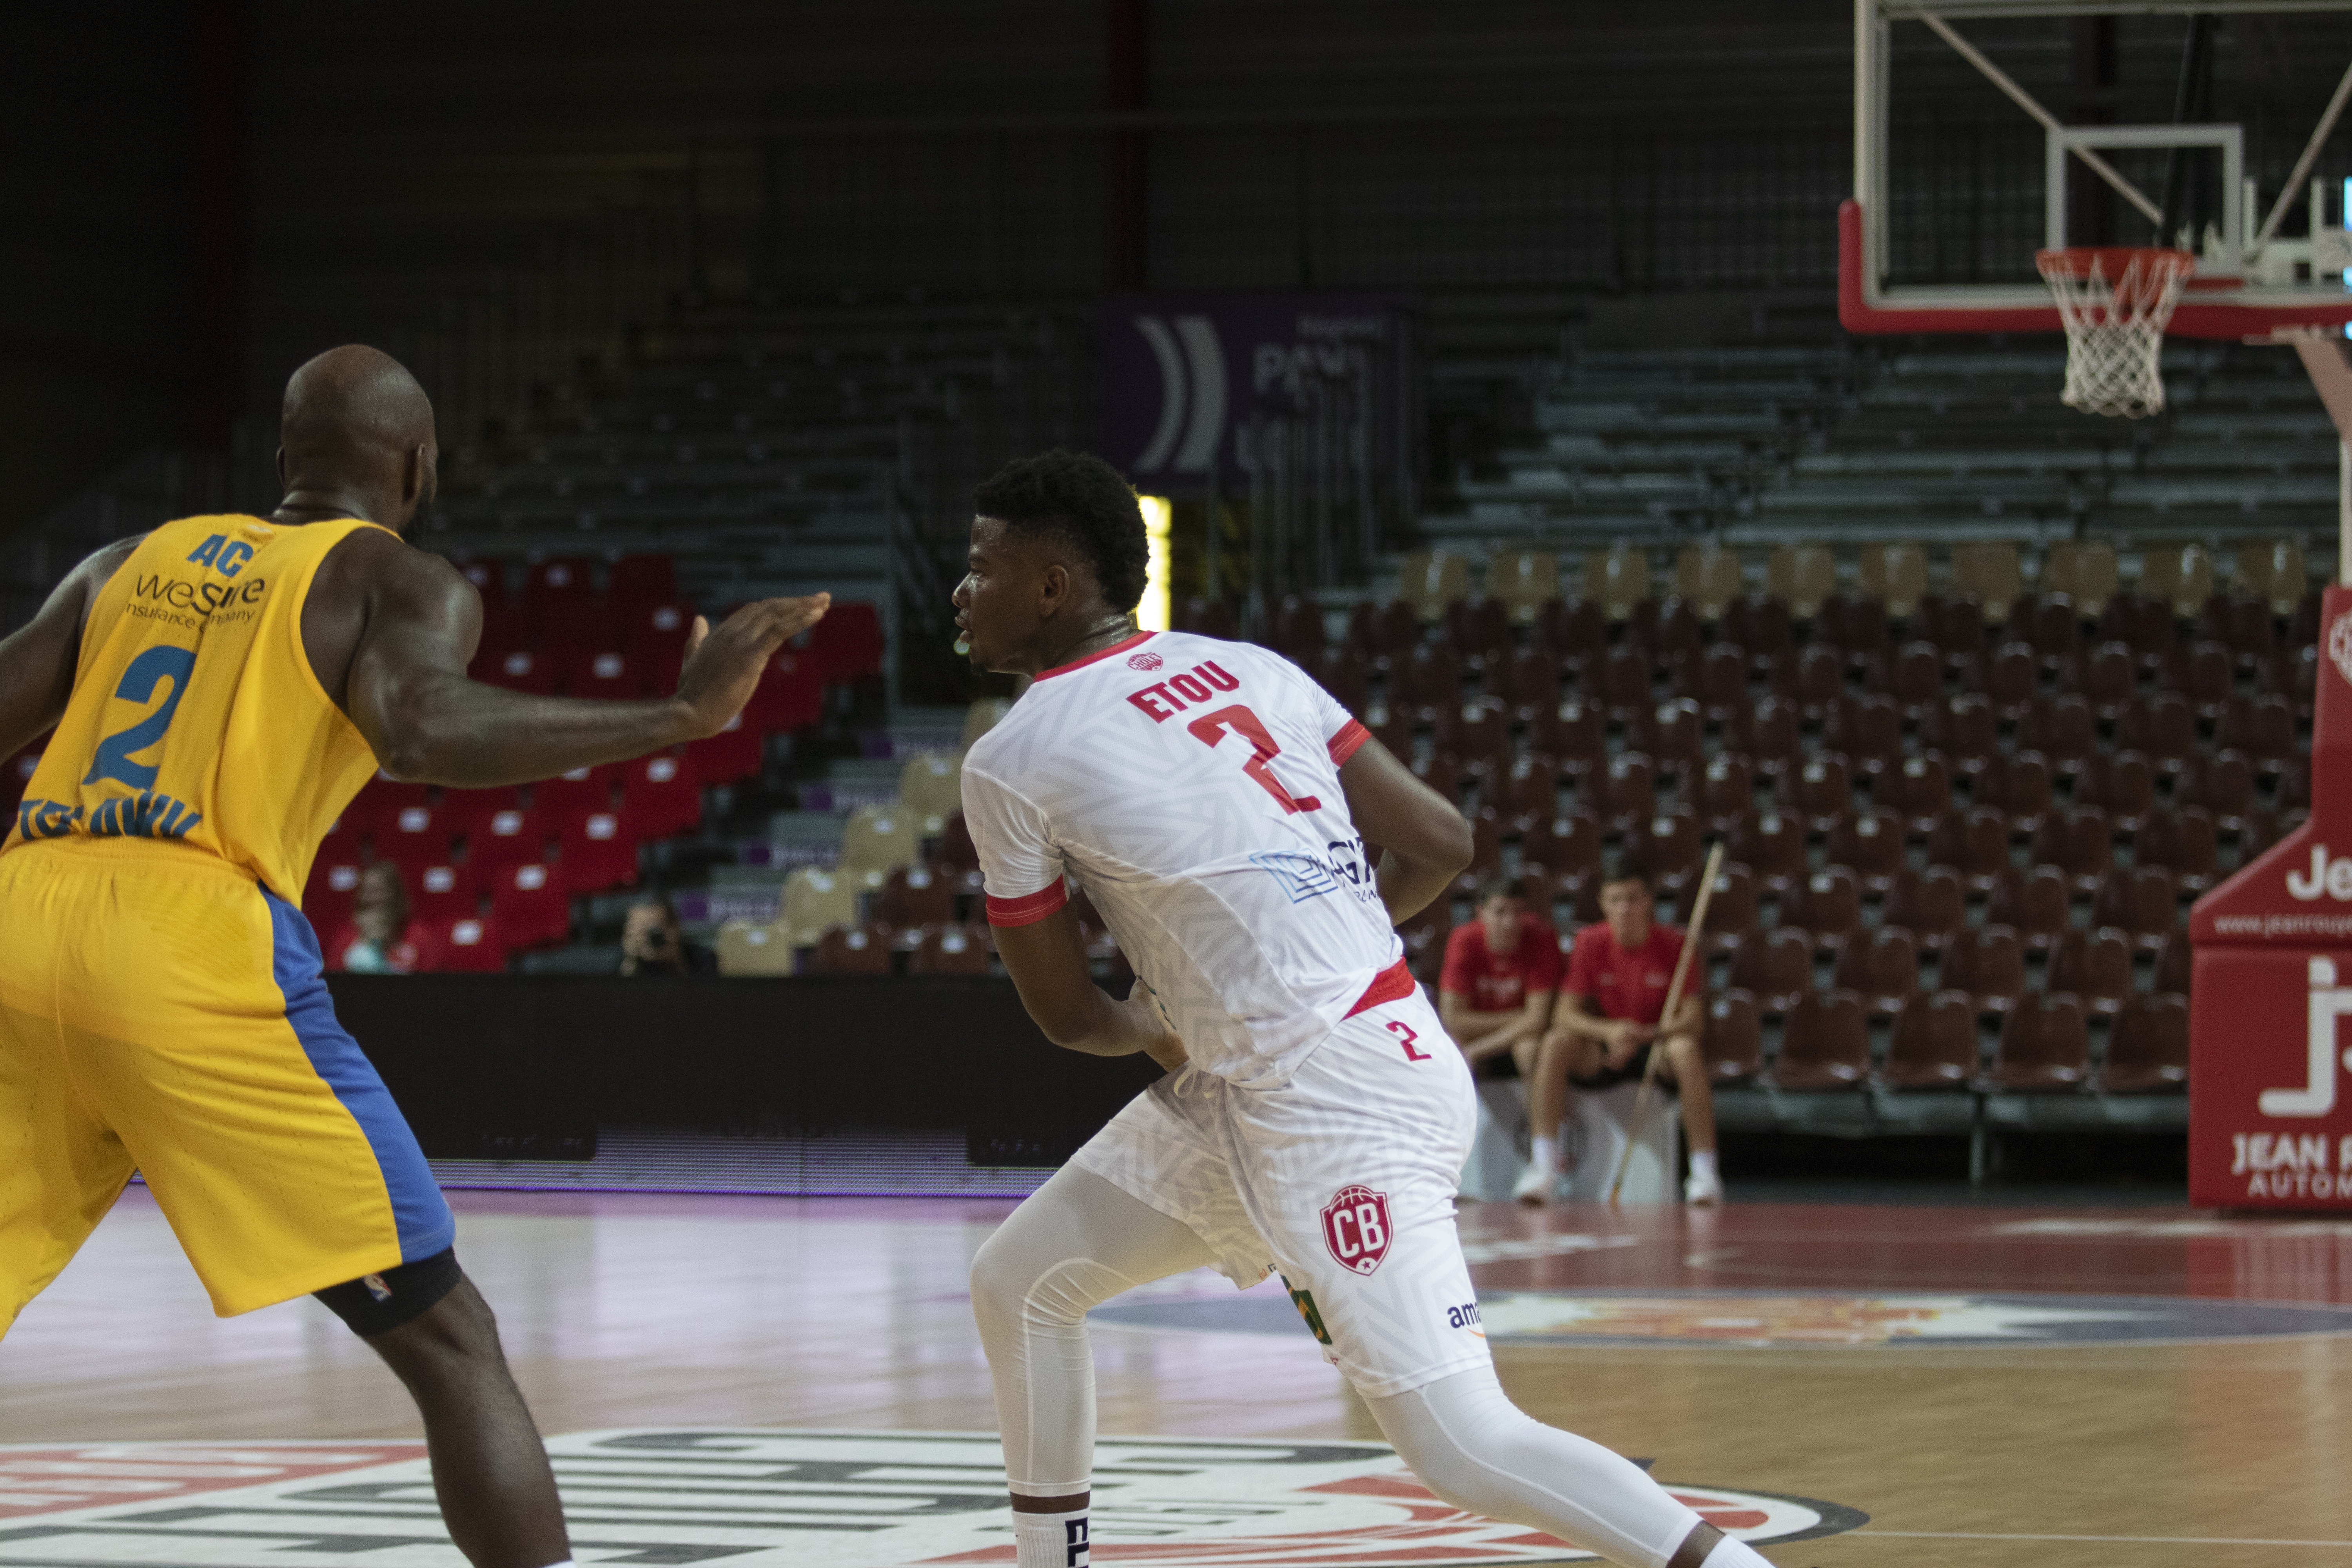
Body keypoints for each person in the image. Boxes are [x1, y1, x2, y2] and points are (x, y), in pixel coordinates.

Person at [0, 344, 828, 1568]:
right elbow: (422, 733)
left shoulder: (127, 560)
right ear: (419, 465)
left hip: (22, 908)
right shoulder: (399, 578)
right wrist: (680, 716)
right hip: (190, 933)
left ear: (283, 458)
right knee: (449, 1341)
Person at [956, 449, 1771, 1568]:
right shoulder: (1253, 667)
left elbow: (1064, 1016)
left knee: (1464, 1447)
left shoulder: (1011, 757)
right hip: (1315, 1061)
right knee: (1022, 1282)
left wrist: (1154, 1023)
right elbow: (1443, 842)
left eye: (980, 565)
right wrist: (1326, 937)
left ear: (1052, 586)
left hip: (1331, 1101)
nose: (961, 591)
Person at [1537, 865, 1721, 1206]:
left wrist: (1644, 1035)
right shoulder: (1590, 942)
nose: (1625, 908)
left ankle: (1704, 1172)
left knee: (1686, 1050)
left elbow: (1693, 1021)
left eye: (1633, 899)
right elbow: (1564, 1015)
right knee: (1554, 1043)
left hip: (1657, 1049)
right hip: (1607, 1051)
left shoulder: (1677, 944)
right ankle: (1544, 1164)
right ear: (1603, 904)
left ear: (1649, 902)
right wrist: (1609, 1031)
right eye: (1616, 900)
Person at [1435, 877, 1563, 1203]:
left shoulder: (1541, 938)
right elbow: (1452, 1018)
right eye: (1500, 912)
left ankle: (1542, 1163)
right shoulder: (1464, 940)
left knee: (1532, 1049)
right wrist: (1518, 1019)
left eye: (1518, 913)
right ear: (1481, 913)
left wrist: (1479, 1047)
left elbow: (1538, 1022)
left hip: (1510, 1042)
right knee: (1447, 1051)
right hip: (1485, 1036)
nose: (1509, 922)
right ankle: (1445, 1164)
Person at [324, 861, 448, 973]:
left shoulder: (419, 937)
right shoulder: (345, 939)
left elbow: (433, 987)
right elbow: (334, 986)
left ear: (396, 895)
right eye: (366, 892)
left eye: (378, 891)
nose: (371, 899)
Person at [618, 893, 713, 976]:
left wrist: (676, 961)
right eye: (640, 933)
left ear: (675, 927)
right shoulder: (627, 966)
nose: (647, 940)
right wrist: (631, 961)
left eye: (654, 932)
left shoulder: (703, 959)